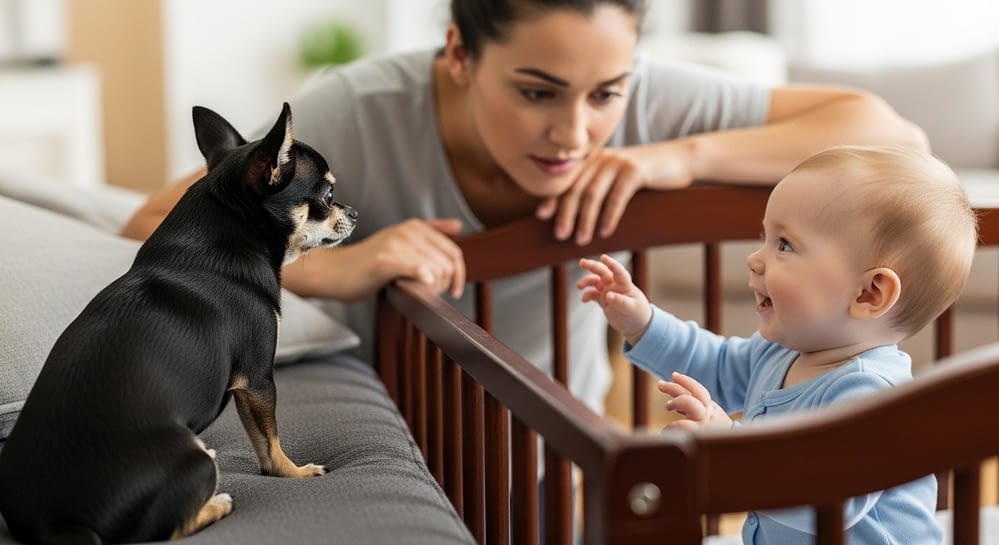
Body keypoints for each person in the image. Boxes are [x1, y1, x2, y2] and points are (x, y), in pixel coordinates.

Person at [121, 0, 928, 415]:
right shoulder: (358, 111)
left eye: (607, 93)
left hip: (555, 449)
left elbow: (895, 140)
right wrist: (335, 266)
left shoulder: (642, 106)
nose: (574, 132)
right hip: (390, 427)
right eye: (536, 92)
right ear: (459, 55)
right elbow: (148, 224)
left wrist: (674, 156)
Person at [577, 144, 978, 544]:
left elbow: (827, 501)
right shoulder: (780, 352)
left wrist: (730, 447)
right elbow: (712, 363)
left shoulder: (872, 397)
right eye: (764, 237)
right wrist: (643, 322)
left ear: (869, 294)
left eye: (784, 245)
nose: (754, 258)